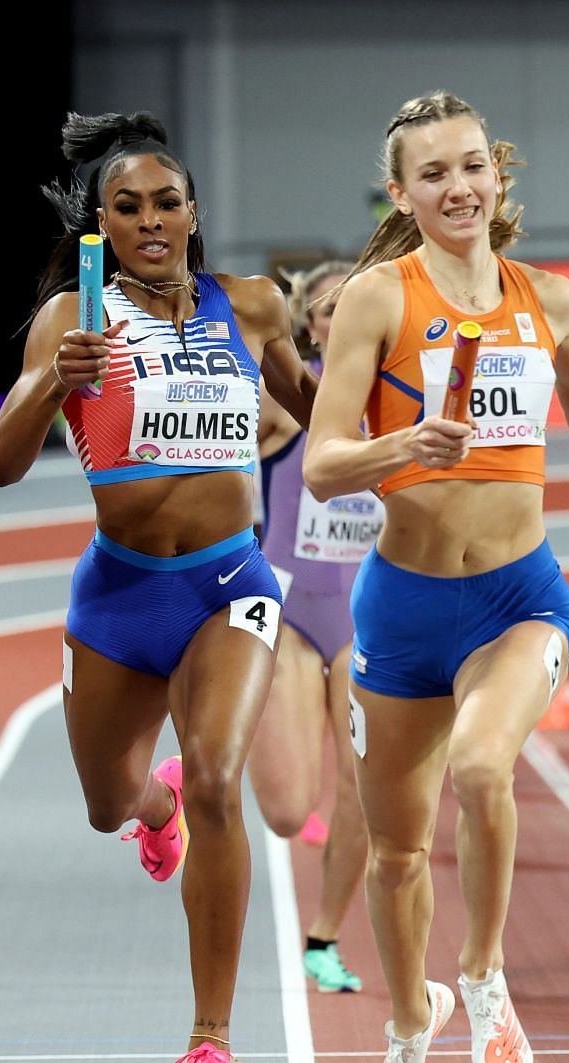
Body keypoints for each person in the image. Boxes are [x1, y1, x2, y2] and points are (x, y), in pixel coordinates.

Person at [302, 90, 569, 1063]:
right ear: (402, 192)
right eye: (433, 174)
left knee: (480, 768)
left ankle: (486, 974)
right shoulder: (378, 298)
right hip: (403, 608)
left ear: (497, 176)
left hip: (519, 598)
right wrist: (403, 448)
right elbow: (325, 467)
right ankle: (411, 1024)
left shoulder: (547, 298)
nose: (457, 188)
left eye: (472, 167)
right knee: (398, 852)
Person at [0, 111, 318, 1063]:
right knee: (107, 800)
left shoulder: (251, 306)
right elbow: (2, 464)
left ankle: (211, 1044)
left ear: (193, 212)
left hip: (229, 582)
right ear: (102, 224)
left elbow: (314, 414)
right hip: (121, 594)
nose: (151, 219)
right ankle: (153, 812)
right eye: (127, 207)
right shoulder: (71, 323)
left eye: (166, 202)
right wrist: (52, 384)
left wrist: (338, 384)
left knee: (220, 773)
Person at [251, 260, 379, 994]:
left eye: (353, 303)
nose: (342, 316)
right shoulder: (286, 397)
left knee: (363, 794)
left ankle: (323, 937)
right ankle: (223, 743)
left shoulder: (398, 398)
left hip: (366, 621)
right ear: (310, 323)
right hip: (296, 614)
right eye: (330, 308)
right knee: (287, 809)